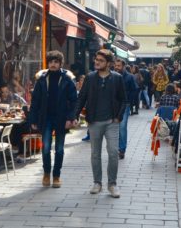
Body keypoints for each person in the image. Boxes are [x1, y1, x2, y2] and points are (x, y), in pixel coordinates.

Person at [76, 49, 126, 198]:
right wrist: (74, 115)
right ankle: (97, 182)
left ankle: (112, 184)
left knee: (113, 153)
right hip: (94, 122)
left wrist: (118, 117)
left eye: (101, 60)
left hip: (112, 122)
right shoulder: (90, 78)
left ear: (109, 64)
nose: (97, 62)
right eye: (96, 59)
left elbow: (124, 99)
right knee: (95, 154)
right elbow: (82, 97)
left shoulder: (117, 78)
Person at [28, 51, 78, 188]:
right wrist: (33, 119)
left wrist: (71, 117)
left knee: (60, 149)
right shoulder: (42, 79)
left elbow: (74, 101)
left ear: (60, 64)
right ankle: (46, 173)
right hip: (46, 118)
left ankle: (56, 176)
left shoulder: (67, 79)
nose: (53, 64)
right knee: (45, 148)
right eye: (50, 62)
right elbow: (35, 101)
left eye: (56, 62)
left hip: (61, 118)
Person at [115, 59, 139, 159]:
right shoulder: (112, 76)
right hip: (113, 105)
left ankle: (121, 149)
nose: (116, 67)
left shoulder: (130, 77)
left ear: (124, 66)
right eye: (115, 65)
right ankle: (115, 148)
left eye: (119, 66)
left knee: (122, 127)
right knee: (113, 128)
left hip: (124, 105)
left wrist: (129, 100)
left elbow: (135, 89)